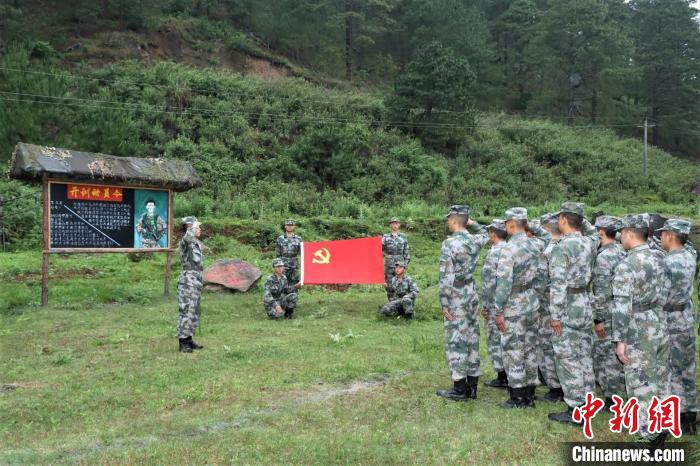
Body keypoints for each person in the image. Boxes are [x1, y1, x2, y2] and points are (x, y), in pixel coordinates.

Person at [612, 214, 670, 447]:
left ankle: (649, 436)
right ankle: (663, 425)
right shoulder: (659, 257)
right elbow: (665, 292)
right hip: (658, 322)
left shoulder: (627, 265)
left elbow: (622, 306)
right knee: (661, 376)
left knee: (641, 381)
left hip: (637, 327)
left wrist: (620, 340)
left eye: (622, 234)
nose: (620, 238)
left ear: (629, 234)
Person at [493, 208, 550, 408]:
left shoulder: (509, 249)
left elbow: (504, 283)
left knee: (513, 349)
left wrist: (498, 311)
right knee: (530, 348)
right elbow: (547, 237)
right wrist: (529, 225)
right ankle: (529, 393)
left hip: (514, 305)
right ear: (525, 224)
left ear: (510, 225)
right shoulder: (535, 244)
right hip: (531, 302)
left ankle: (517, 396)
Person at [547, 202, 598, 425]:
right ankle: (588, 403)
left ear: (563, 220)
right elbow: (593, 232)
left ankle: (576, 409)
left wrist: (555, 316)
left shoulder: (562, 247)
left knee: (567, 358)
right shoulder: (589, 242)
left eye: (560, 217)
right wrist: (580, 218)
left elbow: (558, 285)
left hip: (567, 305)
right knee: (584, 355)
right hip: (584, 303)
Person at [436, 205, 489, 401]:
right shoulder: (475, 240)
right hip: (471, 292)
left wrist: (444, 302)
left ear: (452, 220)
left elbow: (446, 276)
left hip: (456, 294)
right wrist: (471, 223)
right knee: (472, 336)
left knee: (456, 339)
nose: (447, 223)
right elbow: (485, 232)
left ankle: (459, 388)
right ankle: (472, 386)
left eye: (448, 219)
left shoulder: (449, 243)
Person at [658, 219, 697, 435]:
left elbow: (659, 296)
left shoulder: (667, 263)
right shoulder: (690, 255)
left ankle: (678, 414)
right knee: (687, 367)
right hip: (685, 317)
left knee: (671, 368)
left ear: (670, 235)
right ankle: (691, 412)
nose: (660, 238)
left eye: (663, 234)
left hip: (670, 319)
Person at [591, 215, 627, 408]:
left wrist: (599, 319)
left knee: (608, 356)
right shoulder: (622, 250)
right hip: (621, 310)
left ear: (601, 232)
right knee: (616, 353)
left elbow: (602, 291)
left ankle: (613, 399)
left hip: (608, 312)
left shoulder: (604, 257)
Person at [534, 213, 564, 402]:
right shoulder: (567, 246)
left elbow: (540, 283)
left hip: (547, 306)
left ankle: (555, 388)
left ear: (544, 229)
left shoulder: (546, 251)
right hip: (567, 304)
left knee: (547, 346)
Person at [480, 219, 509, 389]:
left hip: (494, 304)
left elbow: (490, 283)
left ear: (493, 234)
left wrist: (486, 306)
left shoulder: (494, 252)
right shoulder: (510, 248)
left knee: (495, 338)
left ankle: (502, 376)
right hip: (509, 302)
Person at [177, 216, 204, 353]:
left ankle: (189, 339)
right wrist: (192, 227)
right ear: (190, 228)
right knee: (187, 310)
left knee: (194, 311)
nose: (200, 229)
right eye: (197, 227)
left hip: (196, 280)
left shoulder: (195, 243)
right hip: (188, 281)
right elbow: (187, 237)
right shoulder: (185, 241)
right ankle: (183, 342)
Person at [382, 218, 410, 298]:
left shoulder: (403, 236)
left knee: (401, 283)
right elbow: (379, 249)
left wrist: (405, 264)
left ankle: (400, 301)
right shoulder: (386, 237)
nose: (395, 225)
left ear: (399, 224)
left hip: (400, 264)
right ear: (390, 225)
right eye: (393, 223)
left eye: (396, 223)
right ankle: (391, 301)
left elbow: (406, 251)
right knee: (389, 284)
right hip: (389, 264)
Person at [276, 219, 302, 285]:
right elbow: (278, 254)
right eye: (288, 225)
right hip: (283, 265)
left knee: (294, 284)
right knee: (282, 284)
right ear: (285, 226)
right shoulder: (280, 238)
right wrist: (277, 266)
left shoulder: (298, 239)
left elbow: (302, 254)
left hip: (294, 266)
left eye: (291, 225)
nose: (289, 226)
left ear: (294, 226)